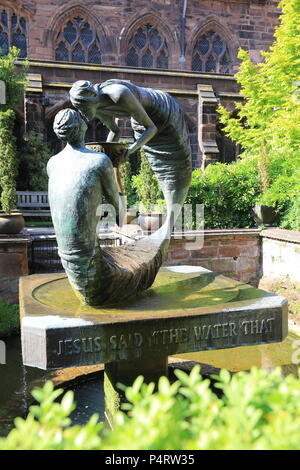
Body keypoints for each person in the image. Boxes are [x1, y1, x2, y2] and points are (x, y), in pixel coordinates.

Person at [69, 79, 192, 227]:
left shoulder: (119, 93)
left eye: (82, 107)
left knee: (177, 166)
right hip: (140, 121)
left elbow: (152, 128)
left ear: (92, 100)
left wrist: (130, 151)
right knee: (161, 167)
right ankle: (168, 228)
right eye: (78, 108)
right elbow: (116, 131)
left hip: (163, 112)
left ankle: (170, 225)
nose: (82, 113)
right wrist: (108, 153)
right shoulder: (98, 108)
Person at [48, 108, 123, 301]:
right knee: (98, 294)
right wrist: (120, 218)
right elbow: (115, 203)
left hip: (65, 254)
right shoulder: (99, 161)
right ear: (81, 128)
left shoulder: (52, 163)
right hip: (87, 257)